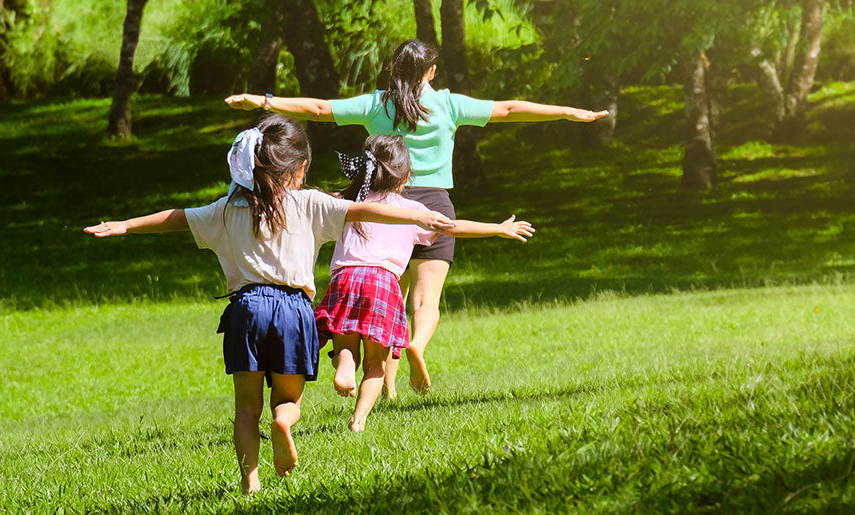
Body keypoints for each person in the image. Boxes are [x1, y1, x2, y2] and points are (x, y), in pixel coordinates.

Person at [83, 115, 454, 494]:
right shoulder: (311, 203)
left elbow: (177, 217)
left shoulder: (227, 209)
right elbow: (367, 210)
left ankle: (250, 482)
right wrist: (418, 214)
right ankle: (284, 423)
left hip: (245, 311)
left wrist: (126, 224)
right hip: (294, 311)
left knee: (245, 409)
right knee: (288, 399)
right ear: (300, 168)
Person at [225, 38, 607, 397]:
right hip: (434, 205)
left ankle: (387, 388)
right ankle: (416, 344)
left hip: (382, 207)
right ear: (432, 71)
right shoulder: (448, 104)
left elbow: (320, 109)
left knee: (393, 294)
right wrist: (567, 112)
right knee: (425, 300)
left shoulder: (377, 105)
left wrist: (263, 100)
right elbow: (508, 109)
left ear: (394, 68)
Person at [316, 134, 534, 432]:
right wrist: (498, 228)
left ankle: (344, 364)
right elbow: (453, 227)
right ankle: (359, 421)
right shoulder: (413, 211)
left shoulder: (349, 202)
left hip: (344, 278)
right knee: (376, 364)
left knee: (346, 344)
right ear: (405, 178)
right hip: (381, 282)